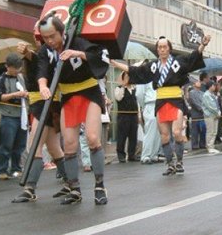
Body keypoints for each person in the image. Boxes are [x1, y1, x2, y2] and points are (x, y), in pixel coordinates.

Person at [111, 35, 211, 175]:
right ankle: (170, 163)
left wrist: (203, 45)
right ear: (157, 50)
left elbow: (193, 58)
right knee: (164, 135)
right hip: (161, 100)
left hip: (176, 99)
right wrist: (116, 64)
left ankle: (180, 161)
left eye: (165, 47)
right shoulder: (153, 66)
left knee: (176, 132)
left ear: (169, 49)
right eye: (160, 47)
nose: (162, 49)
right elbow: (135, 71)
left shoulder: (178, 62)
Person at [37, 13, 109, 205]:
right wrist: (43, 87)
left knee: (92, 138)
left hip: (89, 91)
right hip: (67, 96)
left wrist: (78, 54)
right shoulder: (46, 51)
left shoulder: (76, 42)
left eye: (52, 36)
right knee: (69, 144)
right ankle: (74, 188)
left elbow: (100, 56)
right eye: (45, 37)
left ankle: (100, 185)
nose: (50, 40)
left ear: (62, 32)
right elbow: (42, 71)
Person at [12, 37, 69, 203]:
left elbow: (34, 57)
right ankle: (71, 183)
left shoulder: (46, 54)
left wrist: (27, 52)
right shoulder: (49, 54)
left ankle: (30, 187)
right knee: (53, 147)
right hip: (49, 103)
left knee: (34, 145)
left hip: (43, 103)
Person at [0, 53, 28, 180]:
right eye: (15, 68)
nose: (18, 70)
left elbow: (26, 91)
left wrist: (25, 94)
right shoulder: (0, 80)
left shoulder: (21, 77)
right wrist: (15, 94)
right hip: (8, 115)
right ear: (8, 67)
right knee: (6, 144)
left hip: (22, 115)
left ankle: (16, 168)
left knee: (20, 144)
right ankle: (2, 170)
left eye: (19, 67)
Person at [114, 71, 139, 162]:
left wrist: (138, 115)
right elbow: (118, 98)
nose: (129, 79)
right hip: (123, 115)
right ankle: (121, 155)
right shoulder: (118, 88)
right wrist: (123, 86)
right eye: (127, 77)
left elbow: (137, 102)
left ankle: (132, 154)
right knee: (122, 135)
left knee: (133, 136)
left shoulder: (134, 89)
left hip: (133, 115)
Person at [136, 77, 161, 164]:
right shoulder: (143, 77)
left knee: (158, 131)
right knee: (150, 131)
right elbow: (139, 94)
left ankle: (154, 154)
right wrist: (144, 105)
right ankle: (145, 155)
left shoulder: (158, 75)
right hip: (150, 103)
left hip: (160, 103)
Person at [202, 80, 221, 154]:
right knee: (210, 131)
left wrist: (218, 112)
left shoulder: (212, 94)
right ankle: (209, 147)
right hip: (209, 115)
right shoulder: (206, 95)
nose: (214, 87)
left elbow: (216, 105)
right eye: (213, 85)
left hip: (214, 115)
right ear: (210, 86)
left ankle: (212, 146)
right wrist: (217, 112)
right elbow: (210, 106)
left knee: (214, 131)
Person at [188, 80, 206, 150]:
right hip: (195, 113)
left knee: (203, 129)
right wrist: (201, 109)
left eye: (199, 82)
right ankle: (194, 145)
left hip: (203, 114)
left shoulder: (202, 93)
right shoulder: (191, 92)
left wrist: (204, 109)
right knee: (195, 130)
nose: (199, 83)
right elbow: (193, 102)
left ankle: (202, 144)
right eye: (197, 82)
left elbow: (204, 102)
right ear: (194, 84)